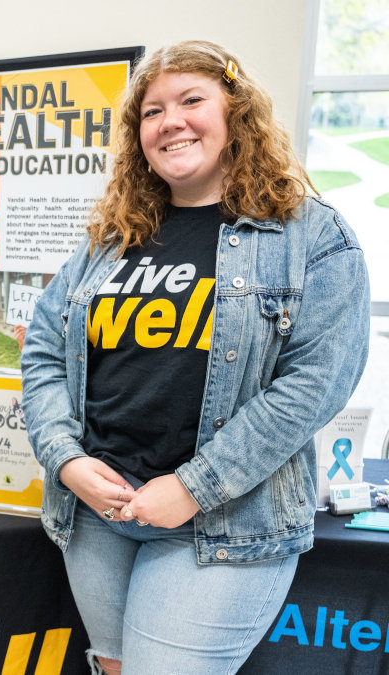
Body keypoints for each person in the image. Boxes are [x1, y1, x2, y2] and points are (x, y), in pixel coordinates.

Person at [20, 40, 369, 675]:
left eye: (191, 100)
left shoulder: (311, 235)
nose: (170, 121)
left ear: (237, 112)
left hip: (223, 523)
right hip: (100, 513)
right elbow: (43, 350)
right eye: (152, 112)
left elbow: (315, 384)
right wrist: (64, 457)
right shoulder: (111, 239)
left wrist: (191, 486)